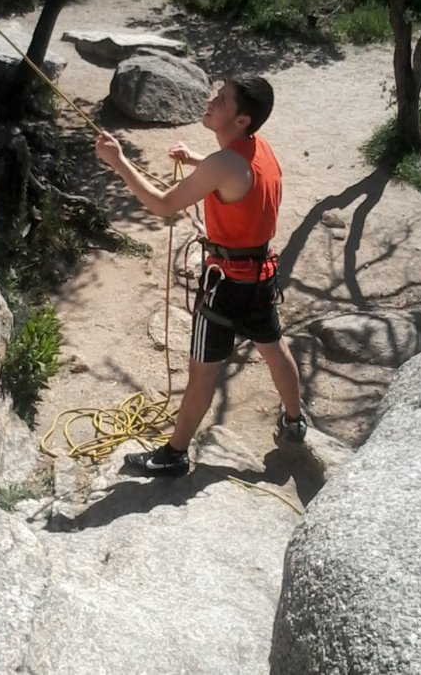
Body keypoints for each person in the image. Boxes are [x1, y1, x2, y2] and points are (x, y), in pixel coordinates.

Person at [95, 73, 307, 476]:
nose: (211, 101)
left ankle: (173, 456)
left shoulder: (224, 164)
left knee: (202, 372)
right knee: (273, 347)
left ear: (242, 119)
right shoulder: (259, 149)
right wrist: (198, 162)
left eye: (223, 100)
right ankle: (294, 421)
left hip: (225, 287)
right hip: (260, 276)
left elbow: (162, 205)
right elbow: (236, 177)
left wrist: (118, 162)